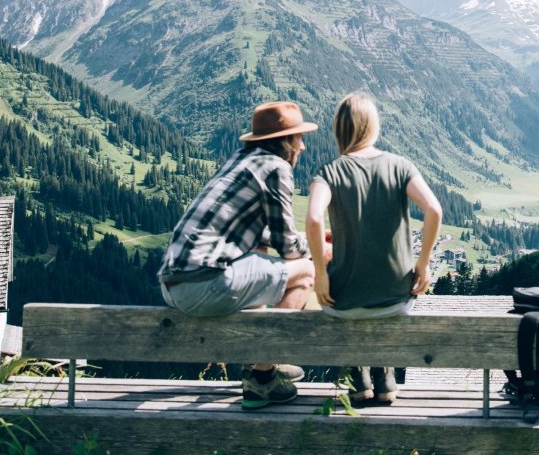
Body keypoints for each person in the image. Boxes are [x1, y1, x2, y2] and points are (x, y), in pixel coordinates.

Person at [158, 100, 321, 409]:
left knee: (258, 254)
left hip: (174, 285)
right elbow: (288, 250)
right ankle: (262, 378)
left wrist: (307, 240)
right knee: (306, 274)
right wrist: (317, 249)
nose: (303, 147)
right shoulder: (277, 168)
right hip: (206, 283)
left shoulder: (241, 160)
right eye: (299, 138)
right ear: (286, 141)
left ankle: (260, 360)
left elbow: (261, 237)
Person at [306, 92, 442, 405]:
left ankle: (359, 375)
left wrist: (320, 274)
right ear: (373, 126)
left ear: (339, 130)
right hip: (397, 298)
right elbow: (434, 210)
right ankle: (385, 374)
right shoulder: (400, 166)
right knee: (381, 305)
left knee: (336, 296)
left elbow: (313, 218)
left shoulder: (329, 172)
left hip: (344, 301)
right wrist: (423, 264)